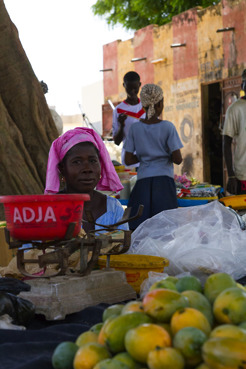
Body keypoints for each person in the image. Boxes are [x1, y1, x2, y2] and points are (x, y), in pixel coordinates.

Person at [45, 127, 128, 233]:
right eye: (77, 162)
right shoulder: (48, 211)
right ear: (62, 168)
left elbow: (124, 247)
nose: (87, 169)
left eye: (93, 161)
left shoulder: (113, 208)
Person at [124, 84, 183, 231]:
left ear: (142, 105)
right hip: (164, 182)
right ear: (160, 104)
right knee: (165, 229)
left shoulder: (135, 128)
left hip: (143, 182)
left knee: (140, 228)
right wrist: (162, 153)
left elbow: (128, 160)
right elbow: (178, 159)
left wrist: (145, 155)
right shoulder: (168, 127)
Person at [112, 71, 145, 167]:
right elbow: (117, 142)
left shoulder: (147, 107)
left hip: (147, 160)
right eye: (129, 88)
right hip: (129, 161)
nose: (132, 92)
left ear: (139, 85)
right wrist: (121, 125)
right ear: (124, 85)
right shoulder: (118, 110)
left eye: (135, 88)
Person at [223, 69, 246, 195]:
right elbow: (226, 142)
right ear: (243, 85)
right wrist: (231, 176)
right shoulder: (235, 109)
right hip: (243, 174)